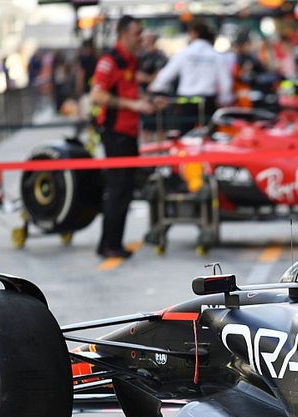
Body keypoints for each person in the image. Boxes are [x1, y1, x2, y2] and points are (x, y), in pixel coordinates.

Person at [90, 15, 154, 259]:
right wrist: (134, 106)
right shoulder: (110, 60)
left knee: (125, 190)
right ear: (123, 34)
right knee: (117, 190)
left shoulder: (131, 61)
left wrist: (146, 102)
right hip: (115, 134)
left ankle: (113, 243)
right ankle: (108, 245)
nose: (141, 38)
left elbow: (130, 90)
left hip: (128, 133)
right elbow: (97, 95)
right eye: (137, 33)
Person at [150, 21, 233, 125]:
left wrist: (155, 89)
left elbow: (165, 76)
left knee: (185, 137)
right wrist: (224, 99)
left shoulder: (184, 53)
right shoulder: (216, 56)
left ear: (194, 33)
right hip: (207, 102)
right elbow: (226, 82)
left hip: (185, 102)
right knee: (207, 138)